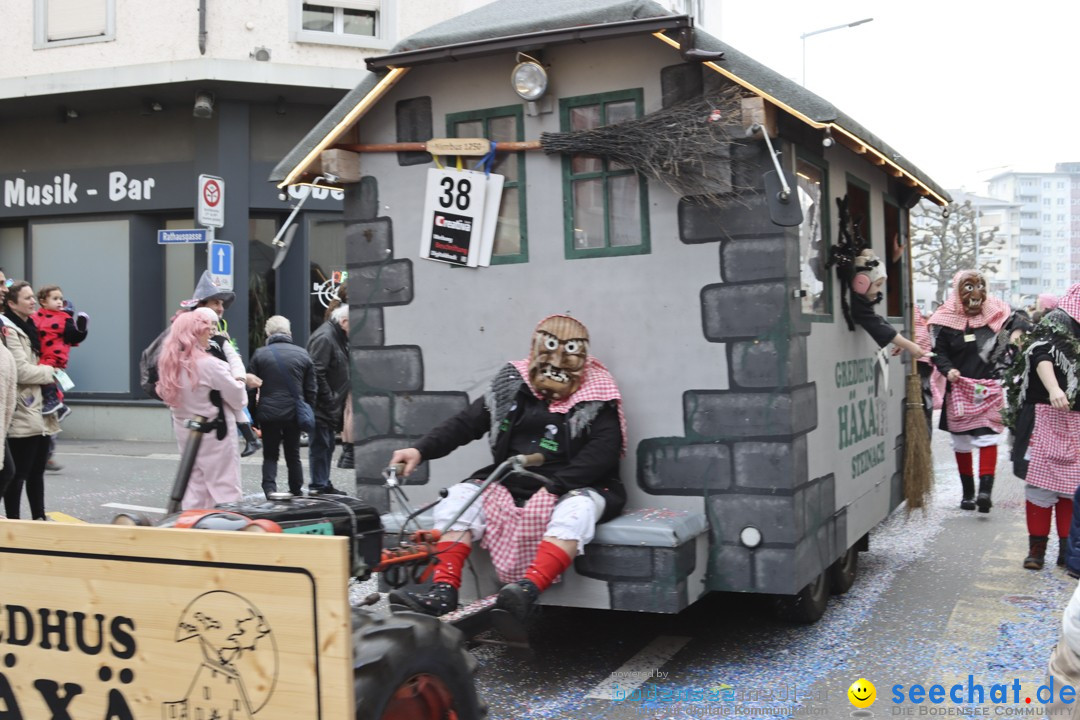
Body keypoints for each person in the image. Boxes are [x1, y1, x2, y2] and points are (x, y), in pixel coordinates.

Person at [387, 315, 626, 624]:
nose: (557, 361)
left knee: (576, 512)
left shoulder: (599, 394)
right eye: (550, 349)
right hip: (510, 479)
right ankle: (443, 592)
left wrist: (555, 487)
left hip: (576, 485)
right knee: (459, 499)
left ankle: (526, 592)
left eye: (567, 353)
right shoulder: (512, 385)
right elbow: (466, 424)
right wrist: (420, 449)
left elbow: (603, 453)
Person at [930, 270, 1017, 513]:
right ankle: (968, 493)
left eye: (980, 287)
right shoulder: (945, 322)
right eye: (968, 288)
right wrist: (948, 370)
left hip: (988, 387)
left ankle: (984, 493)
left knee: (988, 437)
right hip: (958, 387)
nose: (975, 294)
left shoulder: (997, 316)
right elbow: (939, 353)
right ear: (958, 292)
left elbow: (1009, 345)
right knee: (962, 441)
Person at [1008, 284, 1080, 570]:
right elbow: (1040, 354)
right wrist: (1053, 389)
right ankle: (1036, 549)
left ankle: (1066, 550)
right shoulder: (1058, 320)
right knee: (1040, 485)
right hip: (1044, 411)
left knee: (1071, 487)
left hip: (1077, 417)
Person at [155, 310, 248, 509]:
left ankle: (194, 529)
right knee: (225, 488)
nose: (210, 334)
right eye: (206, 331)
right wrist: (240, 376)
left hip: (186, 431)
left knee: (195, 487)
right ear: (195, 334)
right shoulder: (210, 365)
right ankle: (225, 531)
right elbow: (238, 399)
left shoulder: (168, 365)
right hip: (217, 433)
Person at [180, 272, 263, 458]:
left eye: (222, 304)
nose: (221, 308)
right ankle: (250, 438)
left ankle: (250, 438)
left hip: (215, 409)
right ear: (202, 305)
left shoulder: (219, 328)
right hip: (200, 406)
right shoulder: (189, 330)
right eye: (216, 303)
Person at [0, 282, 60, 520]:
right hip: (22, 409)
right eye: (27, 298)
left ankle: (39, 518)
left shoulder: (32, 326)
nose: (33, 301)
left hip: (40, 409)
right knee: (15, 474)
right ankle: (13, 522)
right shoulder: (9, 329)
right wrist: (50, 371)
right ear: (12, 304)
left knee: (36, 471)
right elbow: (21, 370)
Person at [247, 315, 316, 498]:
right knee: (293, 453)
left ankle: (270, 489)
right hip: (294, 412)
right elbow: (311, 390)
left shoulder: (260, 354)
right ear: (289, 333)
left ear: (268, 334)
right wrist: (308, 411)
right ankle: (296, 489)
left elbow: (251, 390)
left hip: (268, 413)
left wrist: (253, 417)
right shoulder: (303, 354)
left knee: (270, 454)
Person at [847, 249, 926, 360]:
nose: (879, 290)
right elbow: (876, 324)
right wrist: (909, 345)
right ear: (861, 283)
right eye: (878, 284)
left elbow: (878, 320)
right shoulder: (858, 306)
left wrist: (900, 341)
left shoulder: (860, 302)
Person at [306, 304, 350, 496]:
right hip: (322, 405)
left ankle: (323, 483)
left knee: (326, 444)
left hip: (328, 404)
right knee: (321, 445)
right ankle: (319, 486)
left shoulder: (335, 336)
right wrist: (330, 398)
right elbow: (316, 371)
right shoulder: (326, 337)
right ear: (344, 322)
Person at [32, 284, 88, 421]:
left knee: (45, 374)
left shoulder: (64, 317)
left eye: (60, 299)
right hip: (43, 353)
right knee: (45, 377)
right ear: (43, 302)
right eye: (55, 298)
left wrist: (81, 327)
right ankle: (61, 407)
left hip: (55, 354)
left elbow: (74, 336)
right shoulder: (37, 316)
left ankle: (53, 401)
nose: (59, 302)